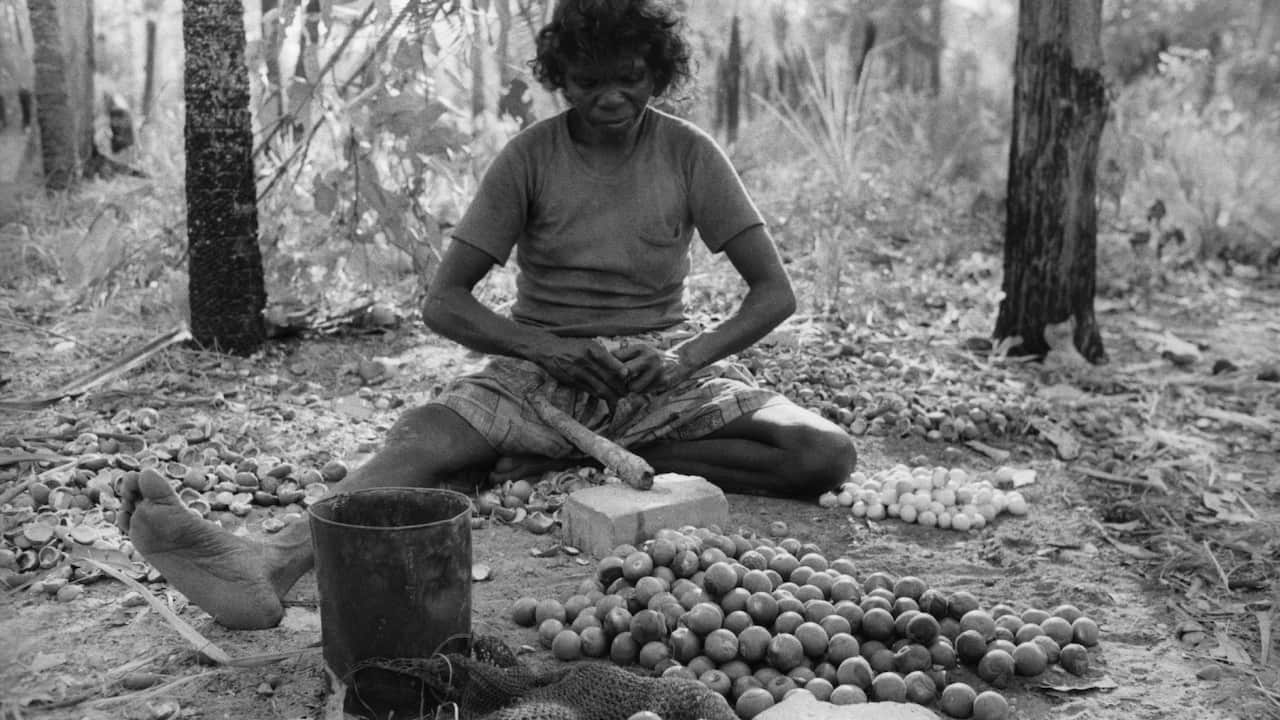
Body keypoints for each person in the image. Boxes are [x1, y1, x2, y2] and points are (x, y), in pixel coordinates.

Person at [117, 0, 857, 630]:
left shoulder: (692, 154)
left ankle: (585, 452)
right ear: (558, 78)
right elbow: (444, 301)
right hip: (540, 370)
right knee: (421, 441)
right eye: (587, 81)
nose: (609, 99)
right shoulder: (528, 158)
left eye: (628, 79)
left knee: (824, 454)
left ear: (658, 74)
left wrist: (683, 358)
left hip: (659, 372)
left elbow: (773, 293)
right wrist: (543, 348)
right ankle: (268, 563)